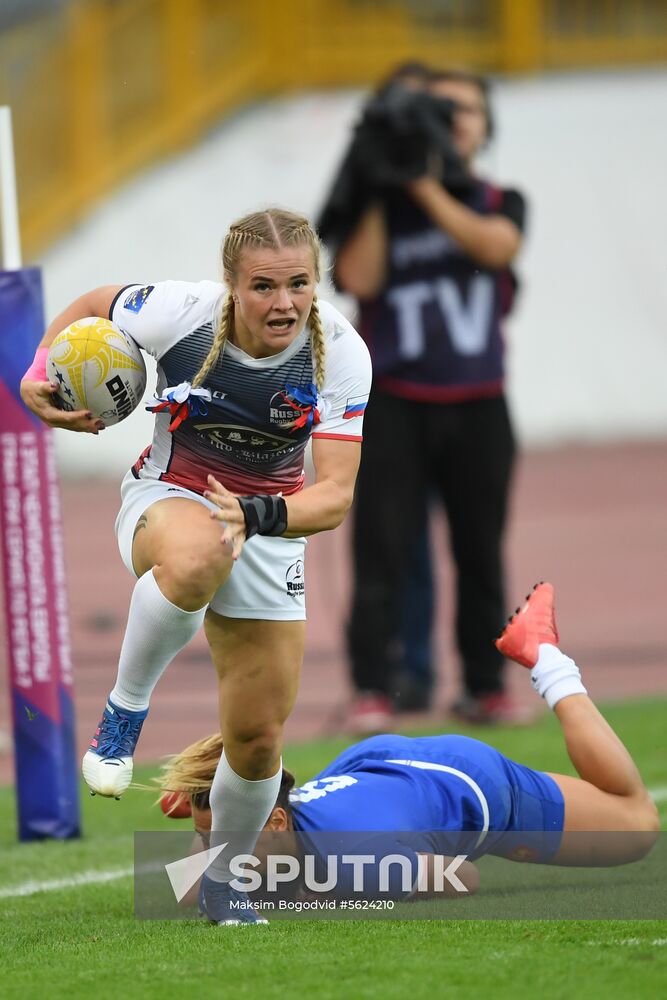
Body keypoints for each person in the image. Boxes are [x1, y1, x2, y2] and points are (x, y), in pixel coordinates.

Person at [19, 207, 372, 925]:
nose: (283, 303)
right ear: (231, 287)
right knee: (200, 549)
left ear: (316, 282)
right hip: (168, 498)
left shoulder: (340, 351)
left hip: (269, 527)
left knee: (257, 738)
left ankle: (224, 882)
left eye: (298, 284)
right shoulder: (181, 313)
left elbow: (333, 496)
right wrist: (35, 371)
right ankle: (121, 721)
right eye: (264, 286)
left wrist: (258, 516)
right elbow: (93, 305)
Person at [158, 583, 659, 920]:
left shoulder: (358, 864)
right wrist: (207, 798)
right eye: (212, 842)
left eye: (223, 842)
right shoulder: (265, 832)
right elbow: (185, 887)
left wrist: (313, 898)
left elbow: (463, 877)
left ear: (276, 823)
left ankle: (546, 658)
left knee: (638, 826)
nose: (216, 857)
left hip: (468, 784)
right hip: (375, 768)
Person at [319, 67, 527, 730]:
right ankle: (372, 688)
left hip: (477, 402)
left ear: (485, 127)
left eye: (463, 109)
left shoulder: (500, 198)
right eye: (441, 109)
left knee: (479, 550)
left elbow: (495, 247)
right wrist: (386, 182)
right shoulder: (380, 206)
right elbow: (357, 276)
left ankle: (485, 683)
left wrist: (428, 186)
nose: (451, 120)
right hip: (397, 402)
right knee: (379, 549)